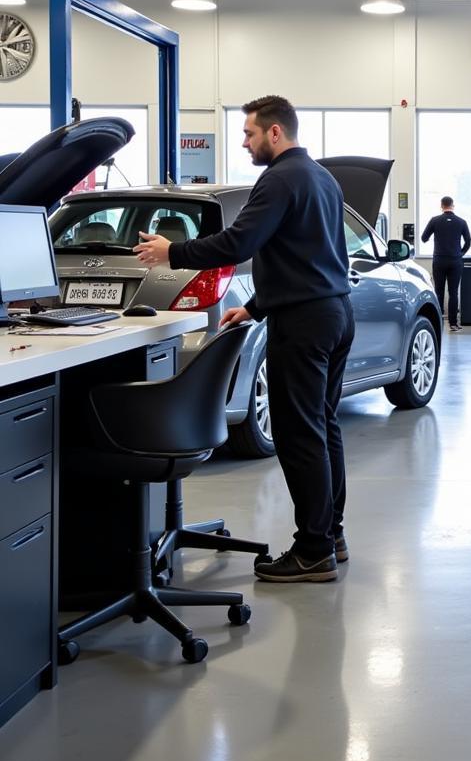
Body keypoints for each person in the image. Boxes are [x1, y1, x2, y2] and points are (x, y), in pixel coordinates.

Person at [134, 95, 353, 584]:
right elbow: (309, 253)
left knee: (299, 436)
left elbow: (239, 243)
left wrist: (174, 252)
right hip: (336, 313)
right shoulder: (323, 178)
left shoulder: (277, 179)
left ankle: (313, 549)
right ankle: (331, 534)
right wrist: (253, 306)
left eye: (250, 133)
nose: (245, 141)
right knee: (323, 426)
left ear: (275, 132)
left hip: (303, 323)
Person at [421, 196, 471, 331]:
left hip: (439, 260)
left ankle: (438, 322)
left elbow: (423, 238)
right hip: (455, 261)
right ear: (452, 205)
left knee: (438, 291)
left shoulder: (435, 220)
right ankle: (453, 324)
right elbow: (469, 241)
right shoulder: (461, 222)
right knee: (453, 292)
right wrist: (460, 253)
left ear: (441, 206)